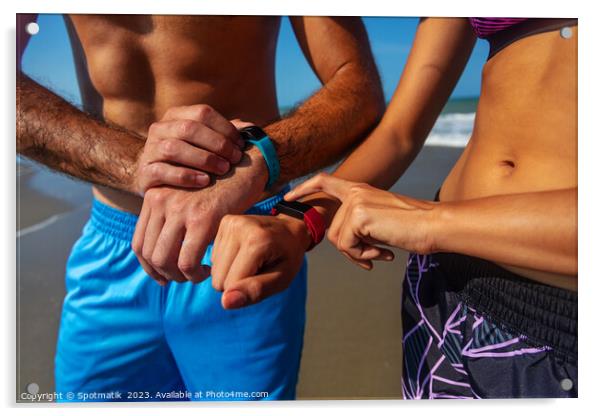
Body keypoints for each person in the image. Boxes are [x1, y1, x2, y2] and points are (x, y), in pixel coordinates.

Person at [17, 14, 384, 400]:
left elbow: (358, 87)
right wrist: (137, 162)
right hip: (112, 246)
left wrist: (261, 160)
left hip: (244, 242)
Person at [210, 17, 578, 398]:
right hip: (441, 290)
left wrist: (427, 223)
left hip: (560, 322)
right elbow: (399, 133)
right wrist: (299, 221)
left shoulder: (430, 227)